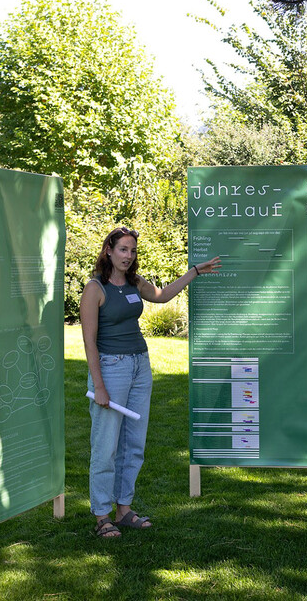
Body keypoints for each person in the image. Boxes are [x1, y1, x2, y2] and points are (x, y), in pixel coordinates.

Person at [80, 226, 220, 539]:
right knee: (106, 445)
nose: (128, 256)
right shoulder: (95, 288)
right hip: (111, 368)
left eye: (132, 251)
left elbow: (162, 295)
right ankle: (102, 515)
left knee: (133, 443)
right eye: (123, 249)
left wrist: (195, 271)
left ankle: (124, 509)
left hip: (140, 367)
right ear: (108, 250)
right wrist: (99, 385)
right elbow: (89, 341)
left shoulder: (135, 282)